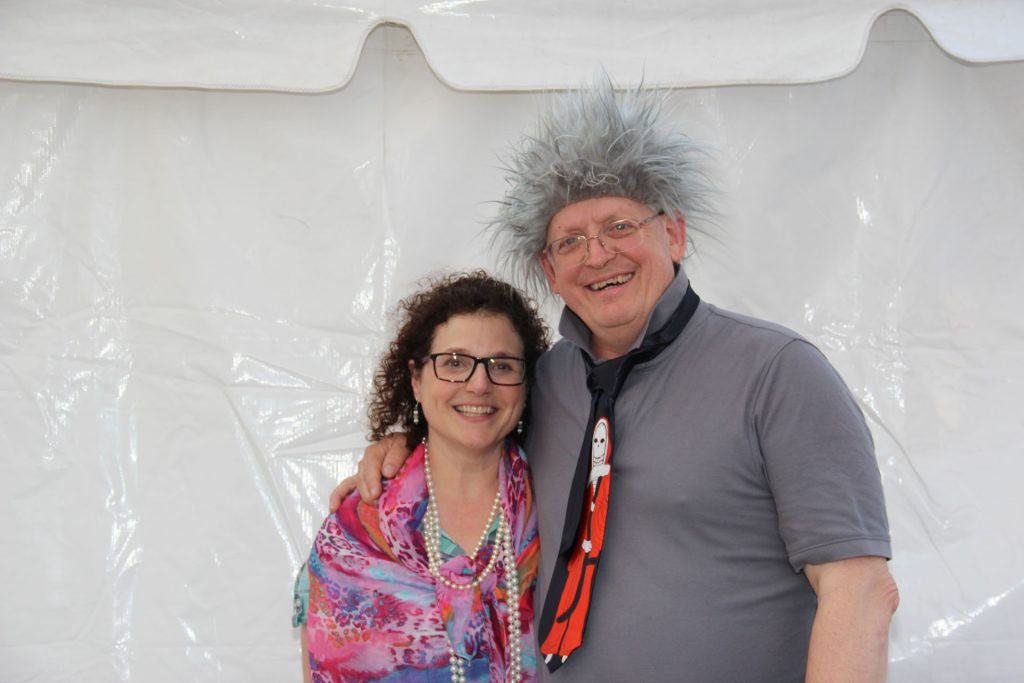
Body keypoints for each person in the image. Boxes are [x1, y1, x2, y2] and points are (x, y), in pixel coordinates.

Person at [333, 80, 899, 682]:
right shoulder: (542, 383)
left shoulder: (778, 373)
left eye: (621, 226)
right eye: (570, 241)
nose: (598, 255)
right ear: (550, 269)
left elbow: (861, 590)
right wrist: (405, 447)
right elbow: (474, 448)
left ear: (674, 234)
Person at [297, 271, 550, 682]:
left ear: (525, 386)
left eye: (502, 365)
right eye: (455, 363)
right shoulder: (351, 538)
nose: (479, 384)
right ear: (416, 380)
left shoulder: (563, 510)